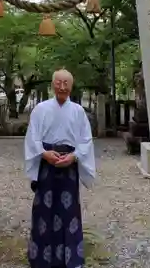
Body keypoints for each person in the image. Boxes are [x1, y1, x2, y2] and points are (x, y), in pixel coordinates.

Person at [24, 69, 96, 268]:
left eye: (66, 83)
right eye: (58, 82)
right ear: (52, 84)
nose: (62, 87)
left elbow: (86, 140)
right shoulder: (40, 109)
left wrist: (74, 156)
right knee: (43, 210)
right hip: (47, 163)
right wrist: (44, 153)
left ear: (72, 85)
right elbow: (32, 137)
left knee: (69, 211)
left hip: (69, 164)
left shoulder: (78, 111)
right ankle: (41, 259)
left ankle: (71, 258)